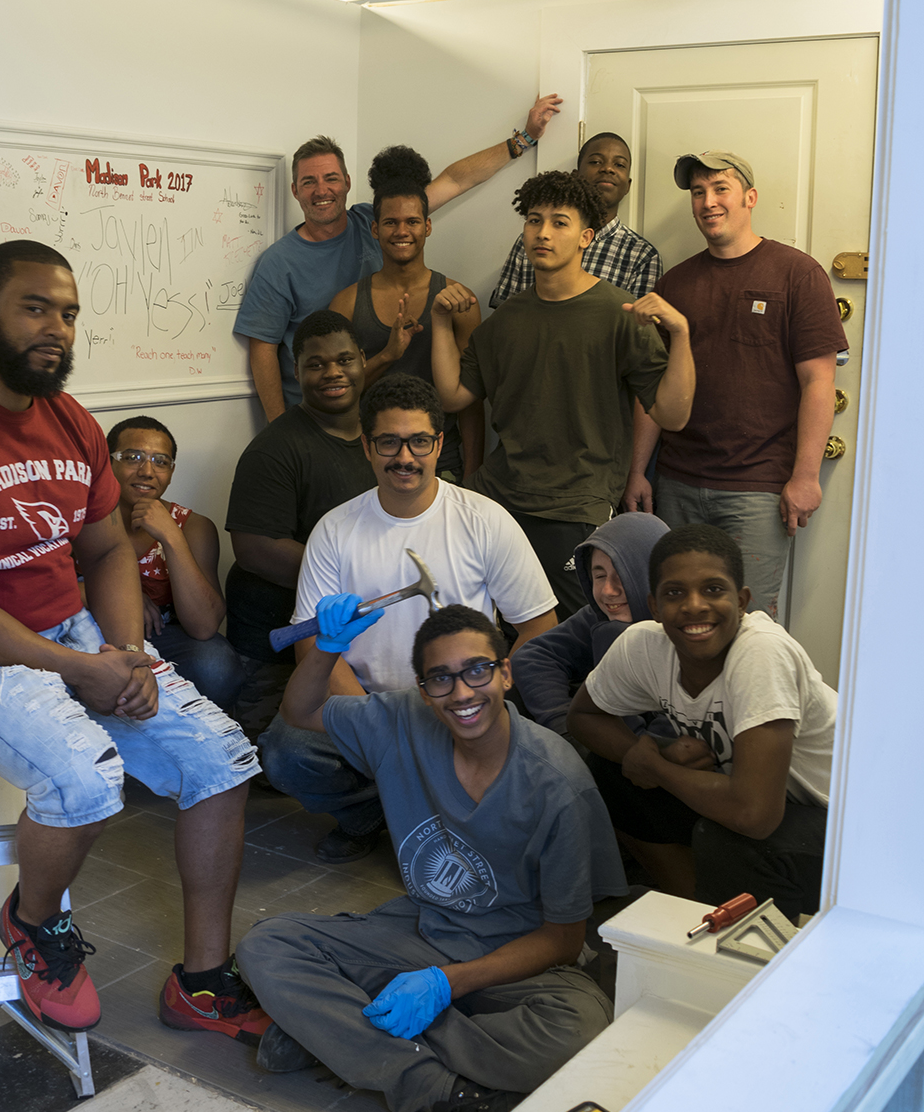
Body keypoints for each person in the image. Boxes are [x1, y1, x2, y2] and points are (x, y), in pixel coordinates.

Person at [0, 240, 269, 1044]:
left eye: (68, 313)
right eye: (36, 308)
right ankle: (35, 925)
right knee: (86, 780)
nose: (57, 329)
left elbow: (106, 551)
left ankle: (203, 984)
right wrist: (80, 668)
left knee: (223, 761)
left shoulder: (68, 420)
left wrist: (129, 653)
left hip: (65, 631)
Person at [236, 602, 625, 1112]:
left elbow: (563, 940)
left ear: (505, 673)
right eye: (440, 678)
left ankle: (341, 1033)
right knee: (267, 946)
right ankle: (445, 1092)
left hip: (513, 959)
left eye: (478, 670)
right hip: (421, 933)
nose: (462, 693)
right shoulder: (398, 721)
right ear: (423, 690)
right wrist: (326, 647)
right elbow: (300, 712)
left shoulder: (557, 783)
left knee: (580, 1033)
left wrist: (449, 984)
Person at [260, 374, 557, 862]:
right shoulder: (335, 531)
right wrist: (381, 728)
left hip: (460, 700)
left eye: (419, 441)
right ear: (367, 446)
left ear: (439, 444)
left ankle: (423, 807)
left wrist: (478, 695)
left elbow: (539, 628)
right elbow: (311, 650)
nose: (404, 457)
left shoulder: (485, 521)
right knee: (286, 751)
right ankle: (370, 815)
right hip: (367, 703)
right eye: (389, 442)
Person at [431, 170, 695, 620]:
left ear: (585, 237)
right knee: (491, 629)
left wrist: (682, 336)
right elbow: (455, 395)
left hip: (577, 506)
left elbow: (672, 416)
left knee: (575, 634)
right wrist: (439, 322)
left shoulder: (619, 313)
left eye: (559, 222)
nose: (544, 233)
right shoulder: (508, 318)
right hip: (499, 500)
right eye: (534, 221)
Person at [235, 94, 563, 422]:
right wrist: (281, 430)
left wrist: (524, 138)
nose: (322, 190)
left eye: (331, 178)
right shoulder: (279, 263)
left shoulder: (376, 220)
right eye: (309, 182)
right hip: (315, 416)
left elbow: (455, 180)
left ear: (347, 183)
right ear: (295, 190)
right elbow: (262, 351)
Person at [567, 524, 834, 920]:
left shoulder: (761, 651)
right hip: (766, 802)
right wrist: (642, 753)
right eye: (674, 593)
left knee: (730, 840)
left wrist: (656, 764)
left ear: (742, 601)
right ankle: (694, 911)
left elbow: (755, 816)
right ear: (654, 606)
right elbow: (583, 717)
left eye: (713, 589)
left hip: (862, 825)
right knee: (610, 772)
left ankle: (757, 958)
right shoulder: (643, 646)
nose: (694, 605)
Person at [625, 151, 848, 620]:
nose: (708, 201)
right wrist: (638, 471)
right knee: (678, 623)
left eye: (720, 188)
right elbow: (653, 392)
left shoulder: (797, 274)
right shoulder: (674, 284)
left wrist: (806, 476)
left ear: (749, 197)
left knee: (748, 629)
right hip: (677, 484)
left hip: (758, 489)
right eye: (698, 192)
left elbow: (819, 381)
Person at [224, 310, 377, 742]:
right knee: (284, 756)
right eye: (316, 364)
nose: (333, 372)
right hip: (279, 640)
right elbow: (254, 547)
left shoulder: (382, 439)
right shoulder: (274, 450)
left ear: (363, 360)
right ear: (296, 372)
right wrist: (356, 579)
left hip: (352, 627)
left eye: (344, 360)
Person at [329, 145, 484, 479]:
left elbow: (470, 403)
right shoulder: (346, 303)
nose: (402, 232)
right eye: (390, 222)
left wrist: (472, 479)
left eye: (412, 221)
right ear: (374, 230)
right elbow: (339, 394)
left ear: (427, 227)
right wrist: (387, 354)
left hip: (442, 465)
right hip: (366, 463)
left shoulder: (460, 301)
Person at [106, 414, 245, 712]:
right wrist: (123, 597)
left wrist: (171, 537)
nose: (147, 471)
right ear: (108, 463)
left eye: (161, 461)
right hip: (97, 630)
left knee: (216, 666)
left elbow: (205, 626)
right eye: (132, 457)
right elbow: (48, 590)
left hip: (164, 635)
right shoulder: (83, 517)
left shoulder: (193, 526)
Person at [511, 511, 670, 740]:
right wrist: (566, 728)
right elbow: (532, 657)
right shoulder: (601, 616)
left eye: (622, 576)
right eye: (599, 576)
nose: (607, 591)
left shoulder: (684, 634)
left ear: (651, 575)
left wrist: (616, 639)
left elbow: (660, 749)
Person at [490, 132, 663, 307]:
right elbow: (504, 312)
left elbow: (638, 327)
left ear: (628, 186)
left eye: (619, 164)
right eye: (595, 162)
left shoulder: (642, 255)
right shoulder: (532, 241)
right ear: (575, 175)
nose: (607, 169)